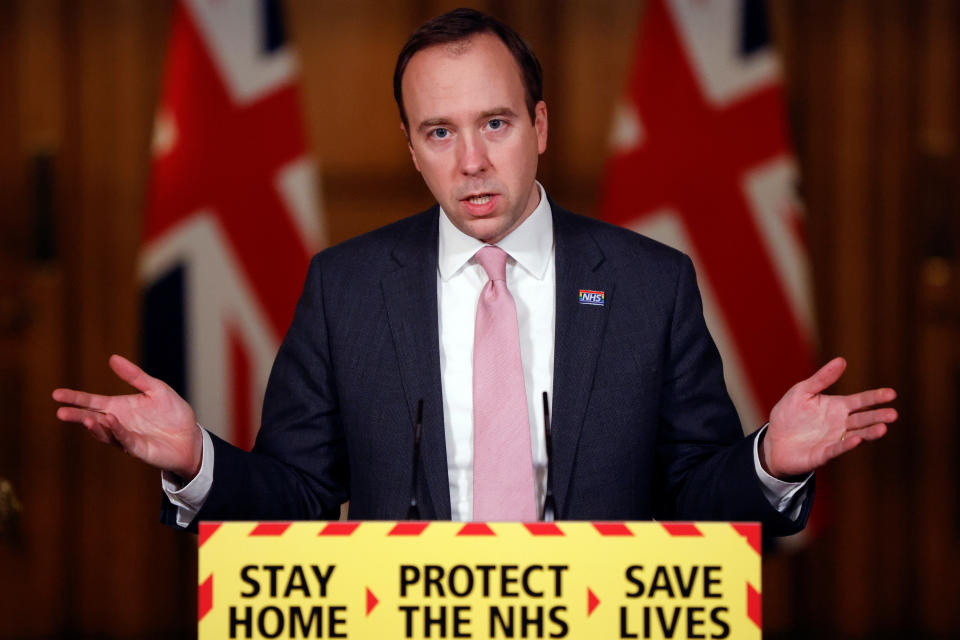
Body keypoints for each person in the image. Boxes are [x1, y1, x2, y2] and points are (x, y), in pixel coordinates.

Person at [52, 9, 896, 534]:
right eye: (440, 132)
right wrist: (195, 458)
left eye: (495, 122)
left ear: (540, 125)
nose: (473, 161)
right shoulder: (346, 286)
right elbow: (299, 500)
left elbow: (691, 500)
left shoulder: (651, 282)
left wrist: (769, 462)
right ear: (413, 151)